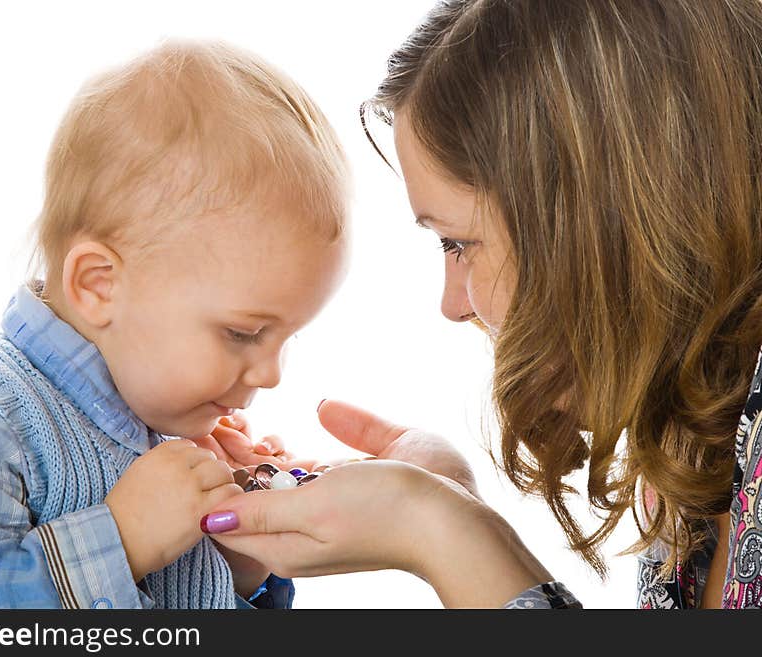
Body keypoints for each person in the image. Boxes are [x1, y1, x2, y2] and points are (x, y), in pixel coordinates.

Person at [199, 0, 762, 609]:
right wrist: (451, 509)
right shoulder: (690, 444)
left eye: (459, 243)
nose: (452, 304)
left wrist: (440, 529)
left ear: (603, 219)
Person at [0, 40, 349, 608]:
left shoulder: (161, 416)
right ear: (98, 284)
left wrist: (238, 564)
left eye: (287, 336)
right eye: (244, 333)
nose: (272, 373)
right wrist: (119, 540)